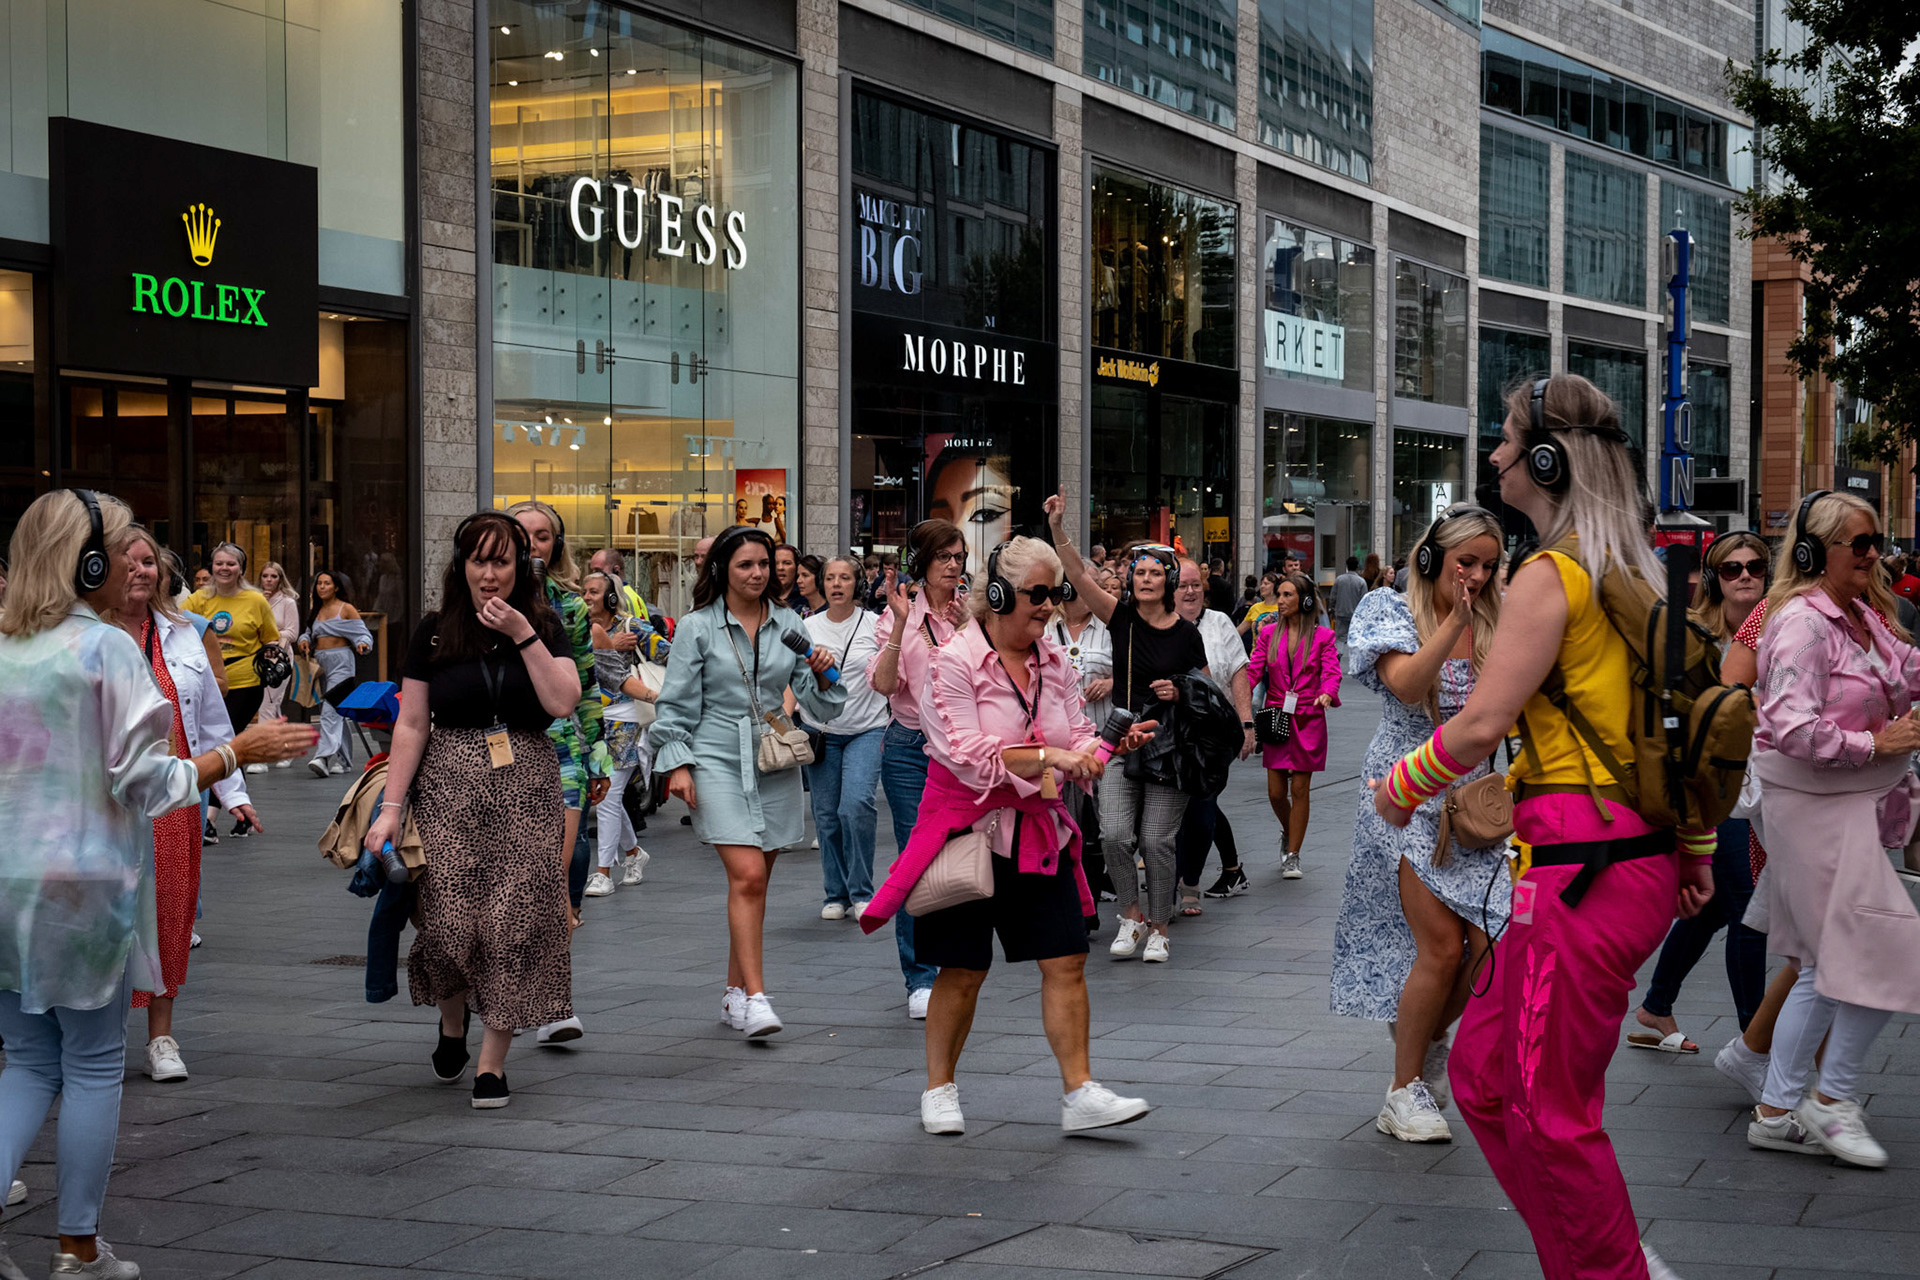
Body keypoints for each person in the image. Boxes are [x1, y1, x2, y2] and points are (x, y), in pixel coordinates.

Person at [1371, 373, 1716, 1280]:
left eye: (1508, 439)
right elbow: (1664, 728)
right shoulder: (1633, 568)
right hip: (1592, 861)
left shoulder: (1551, 575)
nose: (1494, 456)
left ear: (1548, 459)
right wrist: (1693, 845)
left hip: (1584, 872)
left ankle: (1610, 1270)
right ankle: (1590, 1252)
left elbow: (1482, 723)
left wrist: (1398, 787)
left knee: (1544, 1106)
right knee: (1484, 1080)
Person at [0, 490, 311, 1278]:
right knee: (94, 1064)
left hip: (7, 887)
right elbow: (146, 782)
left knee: (28, 1062)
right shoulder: (104, 651)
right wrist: (238, 752)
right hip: (85, 888)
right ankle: (76, 1248)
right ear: (90, 562)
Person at [857, 536, 1157, 1136]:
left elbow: (1076, 733)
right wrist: (1055, 758)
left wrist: (1103, 749)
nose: (1048, 607)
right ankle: (938, 1088)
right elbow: (965, 755)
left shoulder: (1054, 661)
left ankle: (1080, 1092)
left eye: (1056, 594)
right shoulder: (954, 660)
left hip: (1035, 833)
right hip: (966, 834)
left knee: (1067, 959)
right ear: (996, 595)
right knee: (962, 969)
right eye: (1037, 595)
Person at [361, 512, 582, 1110]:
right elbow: (410, 723)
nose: (490, 574)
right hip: (449, 785)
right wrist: (390, 807)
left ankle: (492, 1064)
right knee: (447, 923)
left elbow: (562, 701)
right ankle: (453, 1022)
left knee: (513, 926)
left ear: (521, 568)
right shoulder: (434, 632)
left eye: (502, 561)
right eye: (478, 561)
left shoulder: (543, 624)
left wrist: (522, 635)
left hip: (526, 786)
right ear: (461, 566)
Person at [1745, 491, 1920, 1169]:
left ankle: (1776, 1107)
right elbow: (1789, 725)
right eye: (1862, 543)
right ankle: (1831, 1099)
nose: (1877, 554)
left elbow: (1906, 674)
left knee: (1825, 964)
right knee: (1890, 951)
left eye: (1877, 542)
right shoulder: (1800, 625)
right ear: (1818, 553)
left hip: (1848, 805)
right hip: (1813, 807)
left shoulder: (1865, 618)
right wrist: (1878, 743)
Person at [1332, 505, 1509, 1144]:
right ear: (1431, 558)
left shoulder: (1501, 615)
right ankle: (1403, 1088)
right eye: (1467, 562)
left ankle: (1428, 1046)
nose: (1478, 577)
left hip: (1479, 802)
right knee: (1439, 947)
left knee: (1490, 943)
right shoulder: (1389, 608)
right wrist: (1454, 623)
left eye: (1489, 565)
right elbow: (1406, 686)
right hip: (1404, 790)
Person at [653, 526, 843, 1038]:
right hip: (714, 753)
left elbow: (821, 704)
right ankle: (758, 997)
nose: (759, 573)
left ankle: (734, 992)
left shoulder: (789, 624)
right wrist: (678, 763)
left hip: (774, 757)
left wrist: (823, 671)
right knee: (748, 876)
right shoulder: (697, 627)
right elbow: (673, 703)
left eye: (766, 564)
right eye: (746, 565)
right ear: (722, 569)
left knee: (756, 884)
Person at [103, 526, 265, 1087]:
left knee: (171, 911)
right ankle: (93, 1032)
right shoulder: (82, 636)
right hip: (103, 804)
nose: (142, 571)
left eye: (149, 562)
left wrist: (234, 794)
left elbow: (212, 723)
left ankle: (161, 1036)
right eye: (129, 561)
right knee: (108, 916)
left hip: (174, 798)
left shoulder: (181, 632)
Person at [1627, 532, 1771, 1056]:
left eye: (1755, 566)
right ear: (1713, 578)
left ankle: (1655, 1007)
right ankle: (1758, 1046)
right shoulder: (1698, 636)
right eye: (1731, 569)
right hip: (1717, 790)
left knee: (1711, 909)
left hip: (1770, 784)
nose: (1745, 576)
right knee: (1748, 909)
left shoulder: (1782, 630)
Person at [1048, 503, 1210, 965]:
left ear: (1169, 582)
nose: (1144, 580)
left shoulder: (1185, 634)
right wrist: (1059, 528)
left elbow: (1207, 691)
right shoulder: (1120, 619)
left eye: (1154, 574)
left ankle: (1159, 926)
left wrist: (1179, 690)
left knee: (1156, 840)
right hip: (1120, 739)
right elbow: (1079, 576)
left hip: (1170, 747)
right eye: (1138, 572)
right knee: (1116, 834)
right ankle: (1132, 915)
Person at [507, 500, 605, 1046]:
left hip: (561, 748)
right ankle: (502, 987)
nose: (533, 545)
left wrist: (599, 756)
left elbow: (587, 683)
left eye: (542, 536)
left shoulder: (568, 607)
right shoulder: (476, 604)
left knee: (550, 873)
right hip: (494, 750)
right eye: (522, 535)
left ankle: (554, 1001)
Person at [868, 520, 970, 1017]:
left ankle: (956, 960)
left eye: (959, 557)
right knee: (918, 856)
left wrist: (973, 624)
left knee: (960, 856)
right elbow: (885, 686)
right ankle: (920, 976)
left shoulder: (973, 610)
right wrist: (901, 623)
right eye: (944, 558)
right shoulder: (898, 614)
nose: (953, 566)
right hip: (911, 747)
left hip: (966, 748)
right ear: (923, 563)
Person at [804, 556, 888, 919]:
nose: (837, 584)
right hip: (820, 731)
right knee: (826, 816)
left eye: (845, 578)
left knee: (855, 806)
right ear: (822, 585)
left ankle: (861, 889)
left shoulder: (876, 624)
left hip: (867, 728)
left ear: (858, 584)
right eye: (830, 578)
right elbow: (795, 678)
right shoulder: (807, 626)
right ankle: (834, 894)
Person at [1170, 558, 1256, 911]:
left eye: (1196, 585)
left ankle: (1187, 881)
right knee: (1173, 813)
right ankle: (1174, 880)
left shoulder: (1220, 623)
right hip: (1170, 734)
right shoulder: (1156, 625)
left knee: (1202, 808)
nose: (1191, 592)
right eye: (1183, 585)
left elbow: (1238, 672)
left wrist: (1246, 724)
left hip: (1214, 736)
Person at [1250, 573, 1341, 878]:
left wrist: (1328, 691)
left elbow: (1331, 670)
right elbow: (1254, 670)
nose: (1281, 600)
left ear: (1304, 601)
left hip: (1309, 715)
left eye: (1288, 595)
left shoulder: (1323, 636)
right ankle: (1289, 832)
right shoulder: (1268, 634)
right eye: (1279, 594)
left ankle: (1293, 854)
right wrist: (1236, 698)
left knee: (1300, 788)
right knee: (1276, 792)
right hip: (1276, 713)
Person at [185, 542, 282, 807]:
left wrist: (272, 658)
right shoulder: (197, 599)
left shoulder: (255, 600)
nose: (224, 568)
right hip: (209, 681)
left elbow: (271, 639)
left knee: (223, 742)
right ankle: (241, 807)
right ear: (211, 567)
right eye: (219, 563)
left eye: (231, 563)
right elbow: (182, 631)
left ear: (241, 568)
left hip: (245, 681)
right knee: (223, 745)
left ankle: (214, 814)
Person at [583, 569, 656, 897]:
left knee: (609, 798)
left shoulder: (632, 626)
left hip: (627, 719)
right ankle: (633, 853)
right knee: (608, 799)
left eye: (595, 591)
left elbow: (669, 652)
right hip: (595, 722)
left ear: (612, 598)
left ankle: (602, 873)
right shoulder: (577, 630)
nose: (587, 597)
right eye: (584, 591)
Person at [1047, 576, 1114, 905]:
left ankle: (1105, 881)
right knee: (1067, 821)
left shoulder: (1110, 627)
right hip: (1062, 744)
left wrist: (1111, 682)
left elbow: (1133, 668)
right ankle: (1076, 894)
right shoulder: (1047, 626)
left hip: (1103, 738)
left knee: (1107, 822)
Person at [297, 570, 373, 777]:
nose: (322, 587)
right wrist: (303, 640)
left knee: (330, 710)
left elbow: (362, 634)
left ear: (336, 587)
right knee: (337, 711)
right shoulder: (317, 610)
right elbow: (309, 633)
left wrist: (363, 644)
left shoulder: (345, 609)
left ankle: (323, 757)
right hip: (320, 663)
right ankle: (345, 761)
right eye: (319, 584)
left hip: (342, 662)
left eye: (326, 583)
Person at [253, 561, 301, 761]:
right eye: (265, 576)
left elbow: (293, 632)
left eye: (273, 576)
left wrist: (273, 639)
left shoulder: (288, 602)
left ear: (280, 579)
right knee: (272, 703)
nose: (269, 580)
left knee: (267, 703)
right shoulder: (253, 599)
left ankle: (262, 755)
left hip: (279, 658)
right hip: (258, 657)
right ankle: (286, 748)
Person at [1330, 556, 1369, 647]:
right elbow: (1364, 601)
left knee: (1340, 639)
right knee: (1355, 638)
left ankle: (1340, 655)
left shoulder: (1339, 579)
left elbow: (1333, 596)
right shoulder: (1361, 582)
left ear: (1347, 566)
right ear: (1357, 566)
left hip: (1341, 613)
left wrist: (1332, 609)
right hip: (1356, 616)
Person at [1236, 572, 1281, 645]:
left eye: (1266, 584)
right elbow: (1239, 630)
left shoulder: (1282, 607)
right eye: (1261, 584)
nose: (1262, 586)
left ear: (1275, 587)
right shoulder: (1255, 607)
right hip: (1256, 653)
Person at [772, 543, 806, 613]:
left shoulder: (805, 599)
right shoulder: (761, 597)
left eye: (787, 563)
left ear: (797, 567)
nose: (780, 568)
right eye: (775, 563)